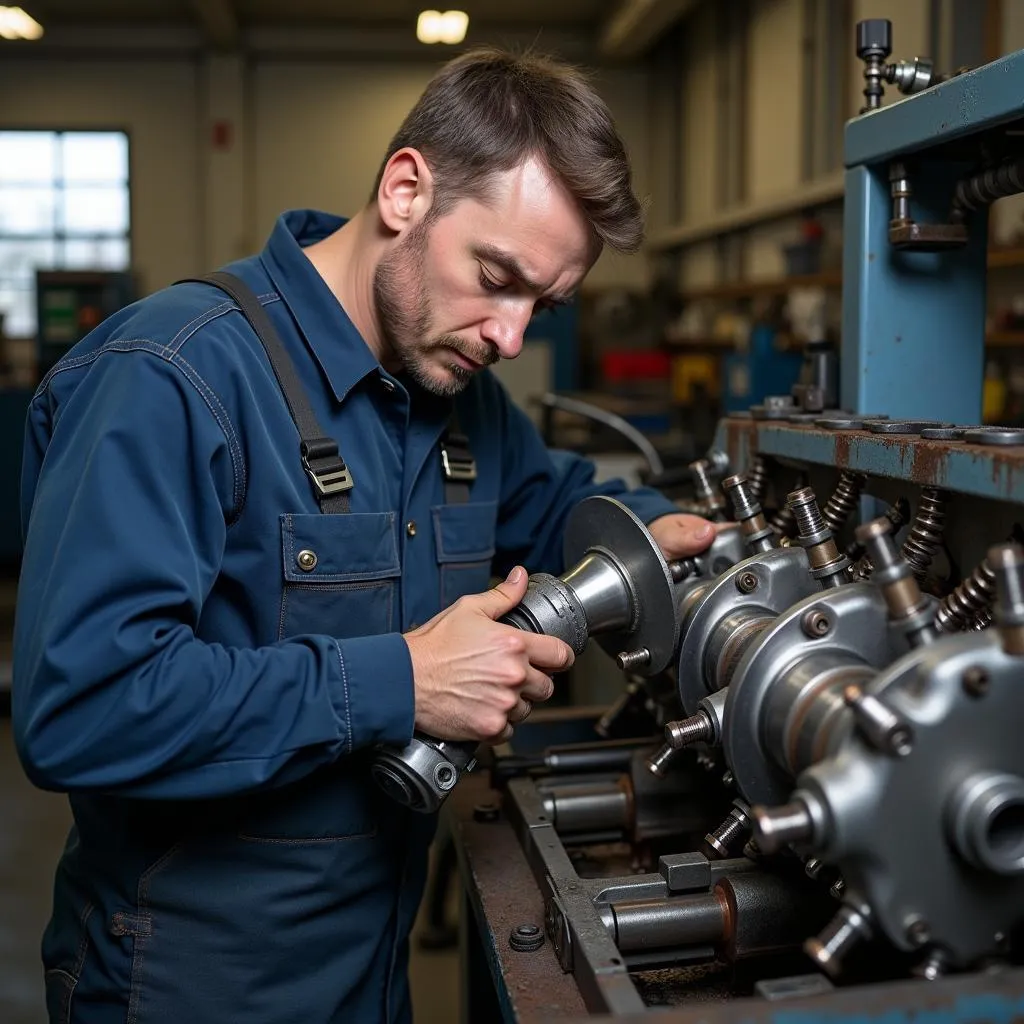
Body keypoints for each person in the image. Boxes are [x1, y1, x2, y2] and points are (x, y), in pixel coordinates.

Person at [12, 47, 717, 1024]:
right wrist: (403, 681)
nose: (510, 338)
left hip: (370, 973)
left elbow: (557, 509)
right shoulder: (174, 378)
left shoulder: (463, 400)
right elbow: (84, 704)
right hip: (188, 986)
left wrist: (672, 534)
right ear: (403, 190)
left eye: (541, 306)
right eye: (496, 276)